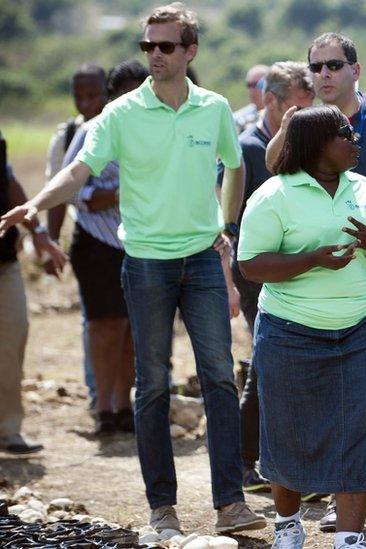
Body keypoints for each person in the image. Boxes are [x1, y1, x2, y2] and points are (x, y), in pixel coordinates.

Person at [0, 2, 264, 534]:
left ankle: (230, 504)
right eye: (147, 46)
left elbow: (234, 167)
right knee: (152, 385)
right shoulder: (120, 114)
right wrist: (38, 205)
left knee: (218, 377)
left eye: (165, 46)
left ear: (190, 51)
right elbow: (78, 169)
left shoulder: (213, 108)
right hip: (145, 263)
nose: (154, 55)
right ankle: (161, 508)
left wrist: (226, 228)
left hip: (203, 260)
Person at [265, 32, 366, 529]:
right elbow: (274, 172)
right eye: (317, 67)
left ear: (355, 68)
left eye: (335, 64)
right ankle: (338, 498)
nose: (325, 74)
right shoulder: (305, 122)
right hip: (322, 288)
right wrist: (290, 128)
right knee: (341, 396)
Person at [238, 105, 366, 549]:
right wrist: (312, 258)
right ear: (316, 145)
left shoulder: (365, 189)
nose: (356, 141)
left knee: (360, 430)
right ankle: (288, 525)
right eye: (345, 135)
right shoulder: (273, 195)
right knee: (289, 432)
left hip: (362, 330)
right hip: (290, 332)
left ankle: (349, 537)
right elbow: (250, 266)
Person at [231, 60, 315, 493]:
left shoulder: (299, 146)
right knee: (266, 361)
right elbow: (233, 219)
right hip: (258, 271)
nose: (305, 118)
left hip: (294, 269)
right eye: (297, 110)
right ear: (271, 101)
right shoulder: (248, 148)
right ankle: (246, 460)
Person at [59, 60, 149, 436]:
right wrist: (111, 194)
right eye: (124, 92)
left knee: (132, 329)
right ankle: (104, 407)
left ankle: (125, 404)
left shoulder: (155, 131)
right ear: (113, 96)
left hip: (142, 242)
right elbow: (70, 185)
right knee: (104, 326)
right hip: (97, 242)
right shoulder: (95, 129)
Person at [0, 127, 68, 455]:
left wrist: (38, 232)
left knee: (13, 338)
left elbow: (10, 187)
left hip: (4, 264)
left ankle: (8, 430)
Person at [45, 62, 108, 409]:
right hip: (88, 238)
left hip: (127, 239)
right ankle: (98, 393)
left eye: (93, 95)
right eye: (78, 96)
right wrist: (51, 242)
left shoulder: (118, 126)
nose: (85, 104)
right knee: (94, 320)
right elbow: (57, 193)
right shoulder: (67, 135)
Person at [234, 64, 269, 132]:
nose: (252, 90)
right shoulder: (238, 119)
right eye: (249, 85)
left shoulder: (283, 115)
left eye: (257, 84)